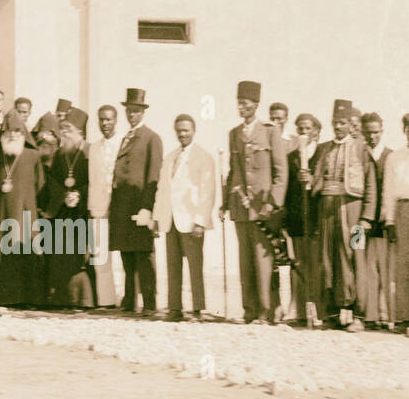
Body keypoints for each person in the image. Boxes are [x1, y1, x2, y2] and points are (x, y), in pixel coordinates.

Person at [225, 80, 288, 324]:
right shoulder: (234, 134)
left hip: (263, 207)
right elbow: (233, 172)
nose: (242, 108)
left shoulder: (270, 132)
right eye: (239, 104)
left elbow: (281, 171)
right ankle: (249, 310)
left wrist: (273, 202)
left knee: (264, 260)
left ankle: (266, 311)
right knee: (245, 260)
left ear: (256, 105)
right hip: (241, 206)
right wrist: (226, 203)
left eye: (246, 104)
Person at [309, 102, 375, 331]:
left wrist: (366, 217)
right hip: (327, 212)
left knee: (356, 259)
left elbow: (371, 185)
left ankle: (359, 315)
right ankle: (332, 313)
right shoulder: (325, 148)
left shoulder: (360, 148)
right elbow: (316, 180)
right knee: (328, 259)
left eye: (342, 123)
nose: (338, 127)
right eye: (335, 123)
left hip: (354, 214)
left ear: (350, 124)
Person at [0, 111, 43, 306]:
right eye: (8, 131)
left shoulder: (33, 156)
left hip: (26, 215)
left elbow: (40, 187)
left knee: (24, 253)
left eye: (17, 131)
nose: (12, 135)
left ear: (23, 133)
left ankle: (27, 298)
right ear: (2, 134)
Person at [154, 114, 217, 321]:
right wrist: (157, 217)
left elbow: (208, 191)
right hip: (170, 218)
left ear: (193, 131)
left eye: (186, 130)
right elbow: (162, 189)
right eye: (179, 130)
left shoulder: (203, 157)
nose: (182, 134)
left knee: (195, 266)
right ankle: (174, 308)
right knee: (172, 265)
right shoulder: (170, 157)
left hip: (191, 220)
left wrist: (201, 221)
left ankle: (198, 309)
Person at [110, 88, 163, 316]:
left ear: (143, 112)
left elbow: (153, 176)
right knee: (127, 254)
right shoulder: (125, 137)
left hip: (139, 206)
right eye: (129, 111)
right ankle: (130, 300)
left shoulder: (152, 138)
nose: (132, 114)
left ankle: (150, 303)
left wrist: (147, 207)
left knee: (144, 254)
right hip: (122, 206)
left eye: (136, 111)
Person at [40, 107, 91, 307]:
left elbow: (96, 180)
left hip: (82, 211)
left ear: (81, 132)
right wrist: (64, 195)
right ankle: (61, 298)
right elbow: (52, 179)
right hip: (63, 210)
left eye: (69, 128)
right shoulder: (61, 153)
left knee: (79, 257)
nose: (64, 132)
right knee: (60, 254)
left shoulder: (89, 151)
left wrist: (80, 194)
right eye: (63, 129)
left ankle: (82, 300)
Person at [285, 114, 321, 324]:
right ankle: (298, 311)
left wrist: (313, 179)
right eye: (300, 129)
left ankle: (317, 310)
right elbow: (289, 190)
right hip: (298, 218)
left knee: (315, 264)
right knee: (298, 264)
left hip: (317, 217)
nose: (304, 132)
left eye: (307, 128)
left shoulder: (324, 152)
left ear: (316, 130)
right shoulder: (292, 158)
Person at [86, 104, 122, 307]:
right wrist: (93, 208)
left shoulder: (123, 143)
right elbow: (93, 179)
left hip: (119, 207)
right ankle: (106, 301)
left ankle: (131, 300)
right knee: (100, 255)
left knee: (125, 257)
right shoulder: (94, 147)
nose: (105, 123)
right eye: (101, 119)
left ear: (116, 120)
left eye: (109, 119)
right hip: (99, 207)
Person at [358, 112, 391, 325]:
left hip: (382, 225)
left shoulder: (391, 155)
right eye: (368, 132)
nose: (372, 137)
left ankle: (386, 314)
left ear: (382, 131)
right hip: (357, 223)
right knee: (360, 265)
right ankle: (364, 315)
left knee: (384, 269)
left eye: (376, 132)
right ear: (362, 132)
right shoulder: (356, 154)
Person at [381, 114, 409, 331]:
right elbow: (388, 190)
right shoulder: (395, 158)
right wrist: (389, 219)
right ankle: (403, 318)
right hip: (403, 210)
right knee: (403, 265)